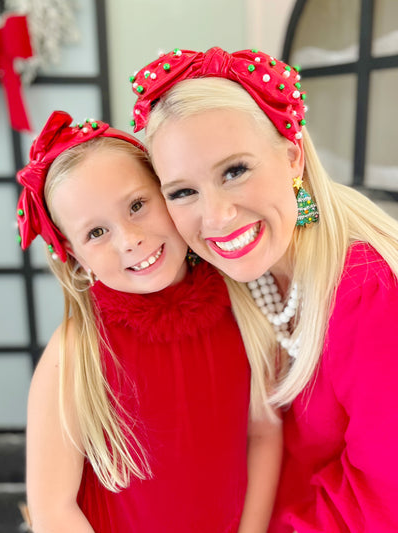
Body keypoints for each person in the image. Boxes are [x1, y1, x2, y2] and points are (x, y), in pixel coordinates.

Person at [130, 47, 398, 532]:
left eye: (235, 171)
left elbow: (385, 499)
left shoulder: (368, 289)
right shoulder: (232, 281)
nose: (216, 217)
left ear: (292, 157)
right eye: (183, 192)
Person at [17, 110, 282, 533]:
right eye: (96, 233)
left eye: (137, 206)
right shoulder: (75, 354)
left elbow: (264, 436)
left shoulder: (242, 307)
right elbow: (53, 510)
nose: (129, 239)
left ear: (170, 194)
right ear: (75, 255)